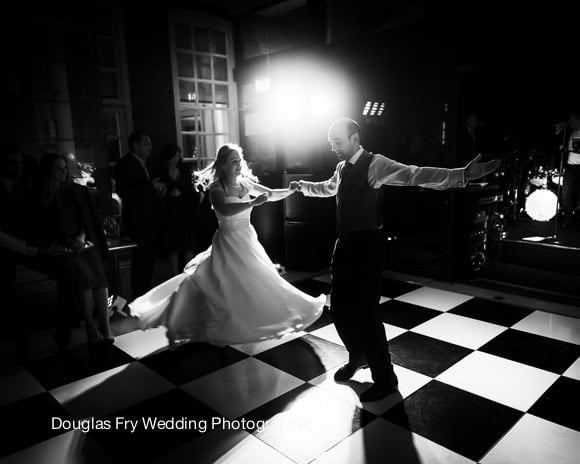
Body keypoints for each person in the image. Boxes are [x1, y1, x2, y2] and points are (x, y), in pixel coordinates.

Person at [290, 117, 500, 402]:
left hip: (367, 246)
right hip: (346, 244)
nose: (334, 148)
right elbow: (329, 188)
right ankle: (358, 355)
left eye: (338, 142)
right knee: (339, 308)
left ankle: (386, 379)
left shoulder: (375, 164)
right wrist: (303, 186)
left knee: (366, 313)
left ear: (355, 139)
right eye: (331, 144)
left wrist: (461, 174)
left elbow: (415, 174)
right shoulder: (341, 168)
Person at [129, 143, 325, 346]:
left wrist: (290, 190)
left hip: (247, 238)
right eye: (233, 162)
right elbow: (225, 208)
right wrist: (251, 203)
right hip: (228, 240)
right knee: (221, 285)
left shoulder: (246, 183)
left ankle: (263, 316)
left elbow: (271, 194)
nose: (238, 165)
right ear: (222, 165)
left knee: (260, 280)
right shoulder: (217, 188)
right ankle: (195, 320)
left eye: (239, 161)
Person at [27, 153, 113, 347]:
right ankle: (90, 325)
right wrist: (54, 245)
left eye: (65, 168)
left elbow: (85, 220)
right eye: (59, 168)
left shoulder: (73, 192)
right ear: (48, 171)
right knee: (84, 279)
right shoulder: (40, 197)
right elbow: (40, 228)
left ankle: (104, 325)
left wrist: (82, 237)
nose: (64, 172)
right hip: (61, 248)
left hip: (81, 242)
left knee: (100, 278)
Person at [114, 131, 166, 298]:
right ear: (135, 145)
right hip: (138, 219)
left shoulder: (147, 164)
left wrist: (158, 191)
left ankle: (146, 293)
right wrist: (151, 187)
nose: (150, 147)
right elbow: (125, 192)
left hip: (152, 217)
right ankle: (139, 295)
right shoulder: (124, 165)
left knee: (149, 259)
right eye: (147, 144)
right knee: (141, 259)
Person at [156, 143, 200, 275]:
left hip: (186, 210)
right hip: (170, 213)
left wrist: (181, 193)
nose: (177, 158)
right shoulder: (161, 171)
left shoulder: (184, 169)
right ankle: (175, 274)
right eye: (174, 156)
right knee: (173, 246)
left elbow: (192, 190)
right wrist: (169, 194)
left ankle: (189, 273)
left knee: (188, 244)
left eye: (178, 155)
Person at [561, 110, 580, 228]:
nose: (570, 122)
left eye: (572, 120)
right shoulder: (572, 133)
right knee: (565, 193)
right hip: (570, 166)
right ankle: (568, 218)